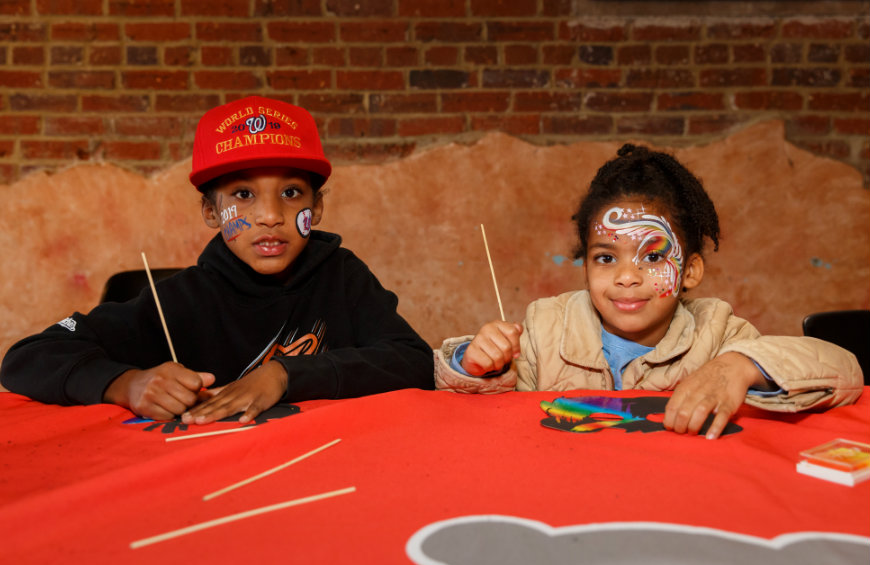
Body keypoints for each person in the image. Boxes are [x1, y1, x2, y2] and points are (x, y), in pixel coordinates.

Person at [1, 96, 434, 424]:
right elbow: (28, 357)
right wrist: (126, 384)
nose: (269, 216)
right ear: (211, 212)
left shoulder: (342, 275)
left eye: (291, 193)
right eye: (243, 195)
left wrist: (285, 375)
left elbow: (412, 360)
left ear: (316, 208)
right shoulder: (179, 301)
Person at [434, 144, 863, 439]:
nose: (626, 277)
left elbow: (845, 370)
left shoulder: (717, 333)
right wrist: (475, 365)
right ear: (585, 264)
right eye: (606, 258)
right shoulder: (546, 326)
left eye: (653, 257)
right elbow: (476, 407)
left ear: (690, 270)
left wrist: (739, 367)